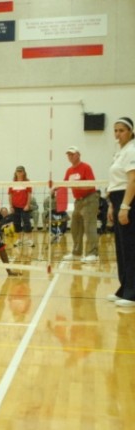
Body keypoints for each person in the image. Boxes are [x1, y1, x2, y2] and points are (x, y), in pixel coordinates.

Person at [106, 117, 135, 308]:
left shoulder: (132, 149)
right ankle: (124, 287)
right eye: (116, 130)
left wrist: (125, 206)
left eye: (122, 130)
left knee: (130, 246)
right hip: (117, 199)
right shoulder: (120, 152)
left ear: (131, 131)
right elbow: (114, 183)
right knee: (121, 247)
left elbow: (132, 180)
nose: (118, 134)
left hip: (128, 199)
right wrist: (111, 205)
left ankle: (132, 292)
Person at [62, 146, 99, 263]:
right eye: (68, 155)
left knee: (89, 227)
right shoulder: (69, 171)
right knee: (75, 227)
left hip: (89, 199)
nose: (70, 156)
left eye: (72, 154)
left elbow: (92, 184)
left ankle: (93, 254)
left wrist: (78, 186)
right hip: (78, 201)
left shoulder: (86, 167)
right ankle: (77, 252)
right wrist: (56, 188)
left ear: (78, 155)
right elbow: (64, 183)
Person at [8, 166, 34, 247]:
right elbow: (10, 195)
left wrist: (27, 205)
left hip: (24, 207)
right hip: (15, 207)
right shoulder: (13, 183)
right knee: (16, 223)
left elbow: (29, 194)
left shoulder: (27, 182)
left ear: (24, 172)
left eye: (20, 171)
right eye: (17, 171)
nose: (19, 173)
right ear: (15, 172)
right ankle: (18, 240)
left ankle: (30, 240)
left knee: (27, 223)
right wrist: (11, 206)